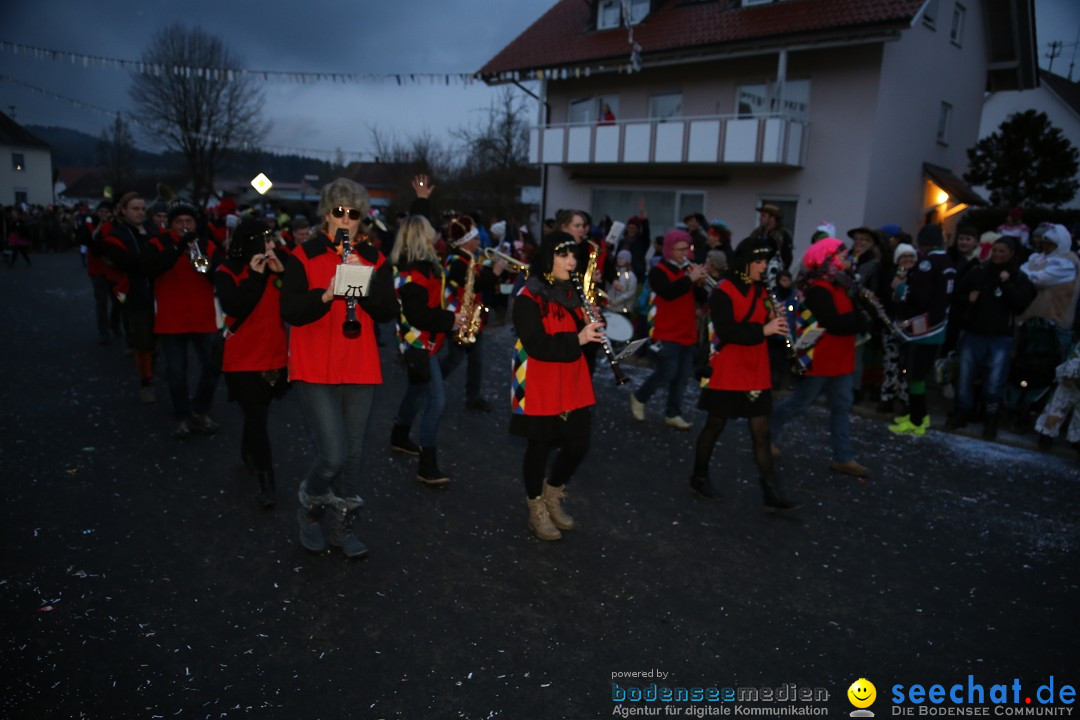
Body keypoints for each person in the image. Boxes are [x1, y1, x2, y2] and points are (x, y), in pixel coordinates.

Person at [280, 178, 397, 558]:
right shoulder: (302, 254)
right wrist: (328, 294)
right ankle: (310, 508)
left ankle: (342, 525)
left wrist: (363, 281)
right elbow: (291, 312)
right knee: (332, 453)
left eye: (354, 214)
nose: (346, 220)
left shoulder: (375, 256)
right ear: (326, 213)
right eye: (339, 212)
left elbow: (387, 311)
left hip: (359, 363)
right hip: (314, 364)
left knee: (354, 454)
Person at [692, 238, 799, 510]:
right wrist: (765, 329)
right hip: (728, 368)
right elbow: (726, 331)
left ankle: (771, 491)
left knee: (761, 432)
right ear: (745, 262)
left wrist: (776, 320)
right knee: (715, 425)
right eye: (759, 262)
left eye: (766, 262)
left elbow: (763, 322)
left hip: (755, 367)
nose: (763, 267)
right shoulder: (724, 291)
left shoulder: (762, 290)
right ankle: (699, 476)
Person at [510, 231, 604, 541]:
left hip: (572, 379)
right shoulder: (527, 297)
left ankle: (552, 494)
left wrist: (591, 330)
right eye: (564, 256)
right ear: (549, 259)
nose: (572, 262)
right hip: (540, 380)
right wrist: (577, 338)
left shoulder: (572, 294)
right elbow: (536, 344)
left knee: (579, 444)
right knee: (539, 447)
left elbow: (582, 343)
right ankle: (535, 506)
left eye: (573, 256)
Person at [770, 237, 872, 478]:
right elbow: (833, 322)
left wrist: (862, 313)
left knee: (841, 407)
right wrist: (862, 320)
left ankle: (843, 457)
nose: (848, 260)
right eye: (843, 256)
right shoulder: (818, 289)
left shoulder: (842, 285)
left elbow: (847, 317)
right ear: (828, 260)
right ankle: (765, 435)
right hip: (821, 358)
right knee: (799, 402)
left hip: (841, 359)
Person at [214, 218, 289, 506]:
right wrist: (256, 278)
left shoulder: (277, 266)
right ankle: (267, 482)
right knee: (258, 418)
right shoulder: (228, 270)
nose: (272, 246)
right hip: (243, 358)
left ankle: (248, 449)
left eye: (272, 240)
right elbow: (234, 306)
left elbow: (291, 304)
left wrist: (284, 276)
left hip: (273, 354)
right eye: (266, 241)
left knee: (260, 412)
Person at [389, 215, 465, 485]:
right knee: (437, 400)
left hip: (427, 342)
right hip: (419, 344)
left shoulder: (425, 267)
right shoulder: (413, 274)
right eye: (431, 232)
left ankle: (399, 436)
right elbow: (418, 315)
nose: (436, 235)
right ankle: (427, 464)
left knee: (417, 390)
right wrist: (450, 320)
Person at [147, 200, 223, 438]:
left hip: (203, 317)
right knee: (176, 372)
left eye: (188, 221)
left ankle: (200, 411)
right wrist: (178, 248)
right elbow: (153, 269)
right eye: (179, 222)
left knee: (212, 367)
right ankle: (182, 417)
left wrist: (204, 265)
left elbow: (218, 277)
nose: (184, 225)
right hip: (172, 319)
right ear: (170, 224)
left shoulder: (206, 245)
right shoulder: (157, 243)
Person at [946, 236, 1035, 438]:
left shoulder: (1018, 277)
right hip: (973, 333)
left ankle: (990, 420)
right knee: (965, 377)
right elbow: (957, 294)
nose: (996, 255)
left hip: (1000, 338)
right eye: (994, 250)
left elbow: (1021, 305)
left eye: (1002, 251)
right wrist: (967, 299)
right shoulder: (979, 271)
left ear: (1011, 254)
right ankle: (961, 413)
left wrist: (1006, 285)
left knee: (995, 381)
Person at [630, 229, 707, 430]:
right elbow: (669, 292)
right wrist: (690, 279)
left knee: (682, 377)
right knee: (667, 372)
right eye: (680, 249)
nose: (685, 253)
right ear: (668, 250)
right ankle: (640, 397)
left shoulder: (686, 271)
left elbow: (699, 297)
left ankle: (673, 413)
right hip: (666, 330)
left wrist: (699, 283)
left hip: (687, 330)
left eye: (687, 248)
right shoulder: (658, 271)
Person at [888, 224, 955, 436]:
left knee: (915, 376)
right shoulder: (948, 261)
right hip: (938, 325)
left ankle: (917, 421)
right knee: (917, 375)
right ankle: (919, 414)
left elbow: (919, 296)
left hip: (925, 330)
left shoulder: (929, 262)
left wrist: (900, 288)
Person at [440, 214, 505, 411]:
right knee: (455, 358)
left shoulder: (469, 258)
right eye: (475, 239)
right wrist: (495, 273)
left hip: (472, 316)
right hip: (459, 317)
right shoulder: (457, 261)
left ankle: (473, 397)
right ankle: (429, 384)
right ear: (466, 241)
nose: (479, 242)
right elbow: (475, 286)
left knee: (476, 360)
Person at [103, 192, 157, 403]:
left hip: (156, 292)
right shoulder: (117, 236)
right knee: (142, 341)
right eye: (135, 208)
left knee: (156, 341)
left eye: (143, 209)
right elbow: (131, 263)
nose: (140, 213)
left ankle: (152, 372)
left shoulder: (151, 231)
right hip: (135, 294)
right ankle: (146, 382)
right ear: (123, 210)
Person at [877, 243, 917, 414]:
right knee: (890, 363)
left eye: (911, 256)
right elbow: (884, 298)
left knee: (906, 366)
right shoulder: (890, 276)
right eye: (903, 256)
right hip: (891, 325)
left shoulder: (919, 276)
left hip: (910, 327)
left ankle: (905, 400)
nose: (907, 260)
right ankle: (887, 397)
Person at [81, 201, 123, 345]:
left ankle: (115, 323)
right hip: (97, 269)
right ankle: (103, 331)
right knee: (101, 302)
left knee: (119, 300)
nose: (104, 214)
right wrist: (98, 228)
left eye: (107, 211)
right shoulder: (90, 224)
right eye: (101, 211)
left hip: (113, 269)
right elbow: (87, 240)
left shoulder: (116, 226)